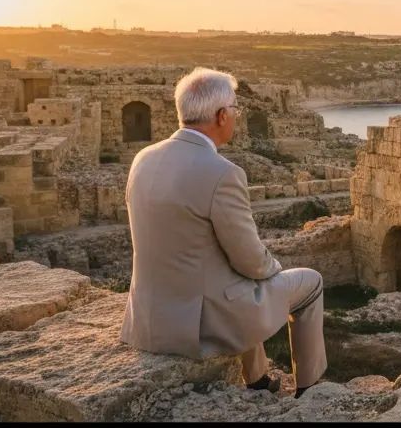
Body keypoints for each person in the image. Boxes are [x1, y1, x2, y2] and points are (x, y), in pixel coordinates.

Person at [119, 66, 327, 398]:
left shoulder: (143, 159)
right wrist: (273, 272)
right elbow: (251, 261)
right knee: (308, 283)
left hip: (148, 317)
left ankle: (258, 379)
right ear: (220, 116)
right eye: (234, 109)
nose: (236, 116)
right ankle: (310, 388)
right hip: (201, 325)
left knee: (231, 280)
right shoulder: (221, 173)